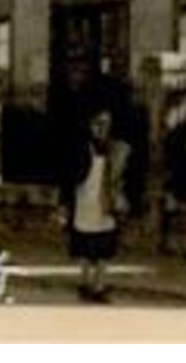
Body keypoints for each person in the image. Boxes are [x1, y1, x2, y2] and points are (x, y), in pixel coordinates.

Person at [60, 106, 130, 302]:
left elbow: (120, 175)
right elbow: (70, 177)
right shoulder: (81, 148)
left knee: (104, 245)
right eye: (98, 124)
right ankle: (84, 281)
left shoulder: (114, 148)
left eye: (106, 124)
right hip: (85, 201)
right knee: (83, 244)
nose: (102, 129)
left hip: (105, 201)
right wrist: (65, 203)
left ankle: (99, 284)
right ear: (90, 125)